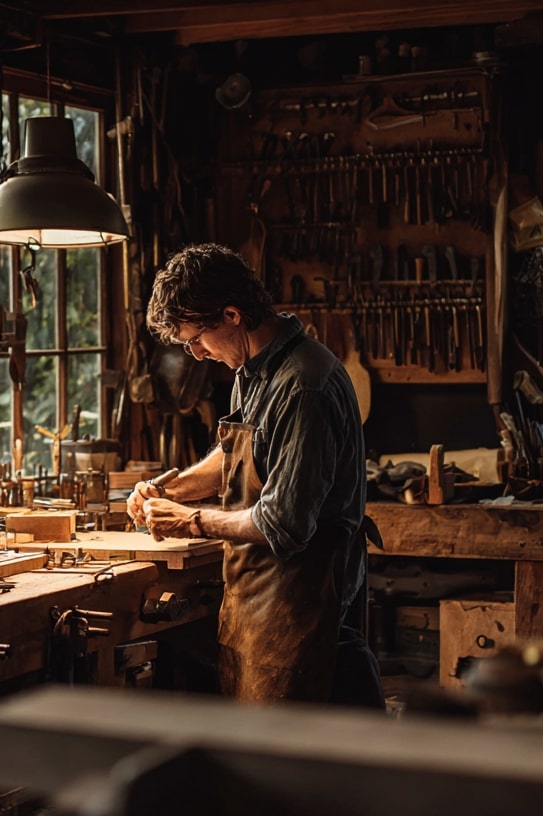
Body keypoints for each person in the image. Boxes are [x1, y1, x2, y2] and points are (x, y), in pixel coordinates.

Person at [127, 242, 383, 707]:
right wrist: (171, 489)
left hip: (305, 612)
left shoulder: (304, 384)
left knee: (294, 769)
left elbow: (282, 524)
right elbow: (237, 457)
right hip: (258, 607)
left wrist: (189, 521)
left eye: (196, 339)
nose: (197, 355)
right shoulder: (253, 370)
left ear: (231, 314)